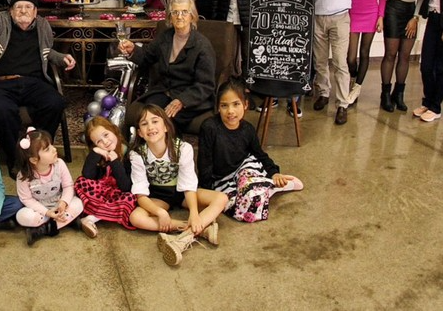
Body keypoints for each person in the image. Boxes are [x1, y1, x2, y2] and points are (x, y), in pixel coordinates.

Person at [0, 0, 76, 173]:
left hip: (32, 82)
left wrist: (60, 58)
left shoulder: (42, 25)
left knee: (55, 103)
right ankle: (16, 157)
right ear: (11, 10)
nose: (23, 11)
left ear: (35, 12)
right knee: (2, 110)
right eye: (18, 7)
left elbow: (46, 51)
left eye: (28, 7)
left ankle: (37, 150)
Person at [129, 106, 227, 267]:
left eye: (155, 121)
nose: (151, 127)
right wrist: (160, 212)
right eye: (144, 124)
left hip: (184, 194)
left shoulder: (183, 148)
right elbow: (141, 195)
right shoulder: (137, 154)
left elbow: (189, 184)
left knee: (221, 198)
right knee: (135, 217)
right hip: (159, 196)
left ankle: (182, 239)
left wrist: (194, 214)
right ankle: (200, 230)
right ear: (139, 132)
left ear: (166, 126)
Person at [198, 80, 303, 222]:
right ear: (218, 108)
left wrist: (274, 172)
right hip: (221, 179)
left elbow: (259, 154)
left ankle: (273, 184)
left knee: (250, 189)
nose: (230, 111)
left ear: (245, 105)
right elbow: (205, 162)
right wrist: (207, 191)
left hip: (243, 168)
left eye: (236, 104)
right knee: (240, 207)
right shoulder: (209, 128)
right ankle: (269, 188)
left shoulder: (248, 129)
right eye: (224, 106)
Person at [119, 0, 216, 134]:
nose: (179, 16)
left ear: (192, 16)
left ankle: (172, 152)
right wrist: (132, 49)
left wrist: (181, 100)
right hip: (164, 91)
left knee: (166, 121)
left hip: (190, 98)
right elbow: (147, 57)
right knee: (149, 115)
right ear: (170, 16)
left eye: (184, 12)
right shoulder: (165, 37)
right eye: (175, 12)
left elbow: (205, 85)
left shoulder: (202, 46)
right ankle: (144, 151)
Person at [305, 0, 352, 124]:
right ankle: (323, 93)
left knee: (340, 63)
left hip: (340, 17)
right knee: (320, 61)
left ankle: (342, 103)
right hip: (318, 16)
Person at [377, 0, 425, 113]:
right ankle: (385, 94)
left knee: (405, 56)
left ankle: (399, 93)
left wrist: (415, 17)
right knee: (390, 54)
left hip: (411, 13)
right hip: (394, 10)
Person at [15, 128, 84, 246]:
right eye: (47, 149)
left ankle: (45, 229)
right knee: (22, 216)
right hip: (40, 208)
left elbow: (68, 186)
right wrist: (47, 212)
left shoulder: (59, 164)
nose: (54, 149)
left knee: (79, 204)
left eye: (51, 145)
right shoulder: (24, 176)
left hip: (58, 203)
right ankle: (66, 221)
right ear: (34, 159)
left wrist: (63, 203)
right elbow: (26, 199)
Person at [74, 118, 136, 237]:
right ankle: (99, 213)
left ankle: (91, 217)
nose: (105, 142)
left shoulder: (129, 154)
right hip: (101, 192)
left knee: (130, 199)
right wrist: (95, 152)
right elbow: (87, 175)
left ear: (114, 130)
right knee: (80, 182)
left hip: (118, 194)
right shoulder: (99, 153)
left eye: (106, 135)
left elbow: (126, 186)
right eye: (99, 141)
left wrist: (115, 162)